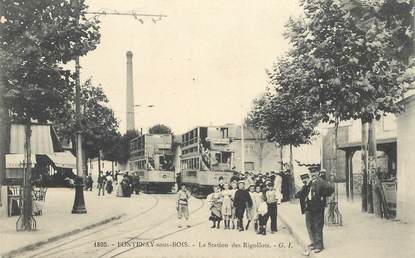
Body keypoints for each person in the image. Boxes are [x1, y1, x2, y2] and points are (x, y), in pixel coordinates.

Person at [302, 168, 334, 255]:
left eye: (314, 172)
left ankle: (319, 245)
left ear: (318, 173)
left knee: (317, 225)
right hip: (309, 206)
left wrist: (322, 196)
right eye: (311, 172)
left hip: (317, 207)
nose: (313, 174)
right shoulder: (310, 182)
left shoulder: (321, 181)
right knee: (310, 225)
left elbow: (331, 189)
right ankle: (314, 242)